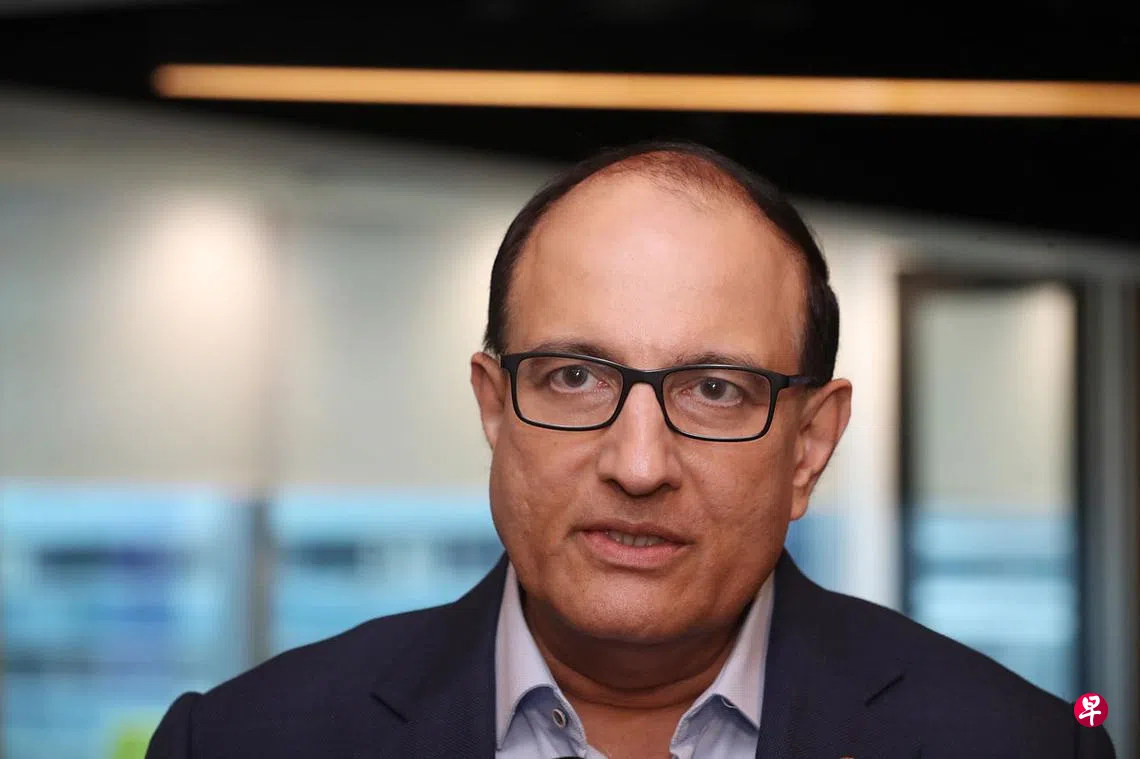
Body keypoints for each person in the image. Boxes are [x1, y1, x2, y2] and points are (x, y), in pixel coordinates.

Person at [146, 140, 1115, 759]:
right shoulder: (242, 741)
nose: (639, 465)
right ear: (494, 408)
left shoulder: (1015, 743)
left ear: (810, 446)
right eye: (573, 376)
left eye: (715, 389)